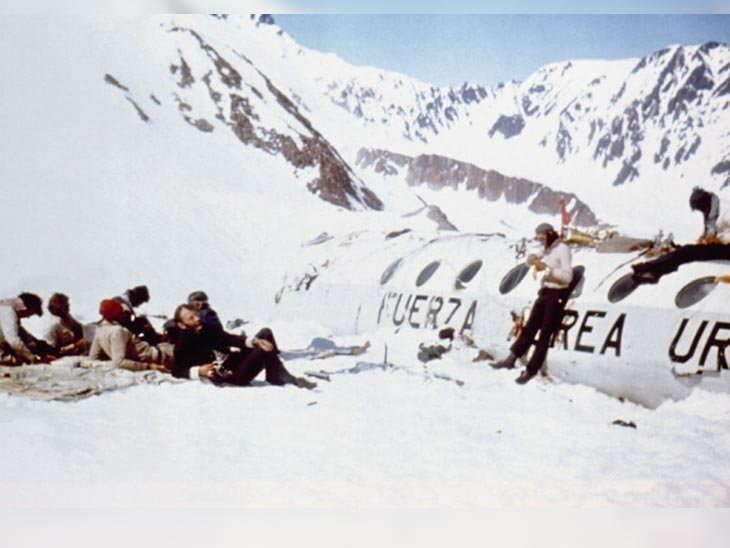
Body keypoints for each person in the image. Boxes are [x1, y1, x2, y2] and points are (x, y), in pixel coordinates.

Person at [492, 223, 573, 385]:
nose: (541, 241)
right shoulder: (548, 249)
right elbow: (534, 259)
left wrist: (548, 270)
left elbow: (567, 277)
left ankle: (531, 370)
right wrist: (531, 260)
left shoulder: (563, 249)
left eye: (542, 238)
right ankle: (511, 358)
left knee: (544, 335)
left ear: (549, 234)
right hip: (545, 292)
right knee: (529, 328)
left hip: (556, 295)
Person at [172, 304, 315, 389]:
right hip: (231, 377)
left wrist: (254, 341)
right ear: (181, 325)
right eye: (191, 318)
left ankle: (274, 374)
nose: (197, 319)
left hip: (234, 362)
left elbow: (230, 338)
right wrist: (199, 371)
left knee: (264, 334)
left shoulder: (207, 329)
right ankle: (281, 377)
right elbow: (176, 371)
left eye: (196, 315)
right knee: (261, 351)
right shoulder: (182, 344)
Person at [632, 187, 730, 284]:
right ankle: (653, 269)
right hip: (722, 247)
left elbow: (723, 235)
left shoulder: (726, 210)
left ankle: (652, 269)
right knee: (685, 250)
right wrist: (704, 239)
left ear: (705, 203)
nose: (702, 211)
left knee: (687, 251)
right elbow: (711, 232)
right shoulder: (713, 212)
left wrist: (719, 239)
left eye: (700, 208)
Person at [88, 299, 171, 372]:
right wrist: (148, 366)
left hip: (154, 353)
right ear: (116, 315)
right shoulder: (117, 331)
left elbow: (93, 357)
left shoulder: (100, 330)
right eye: (121, 312)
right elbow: (119, 362)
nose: (123, 314)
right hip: (158, 356)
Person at [0, 293, 51, 365]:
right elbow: (14, 341)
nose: (28, 317)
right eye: (30, 314)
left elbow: (24, 336)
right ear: (26, 309)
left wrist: (41, 346)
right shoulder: (7, 312)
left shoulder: (6, 307)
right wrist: (33, 359)